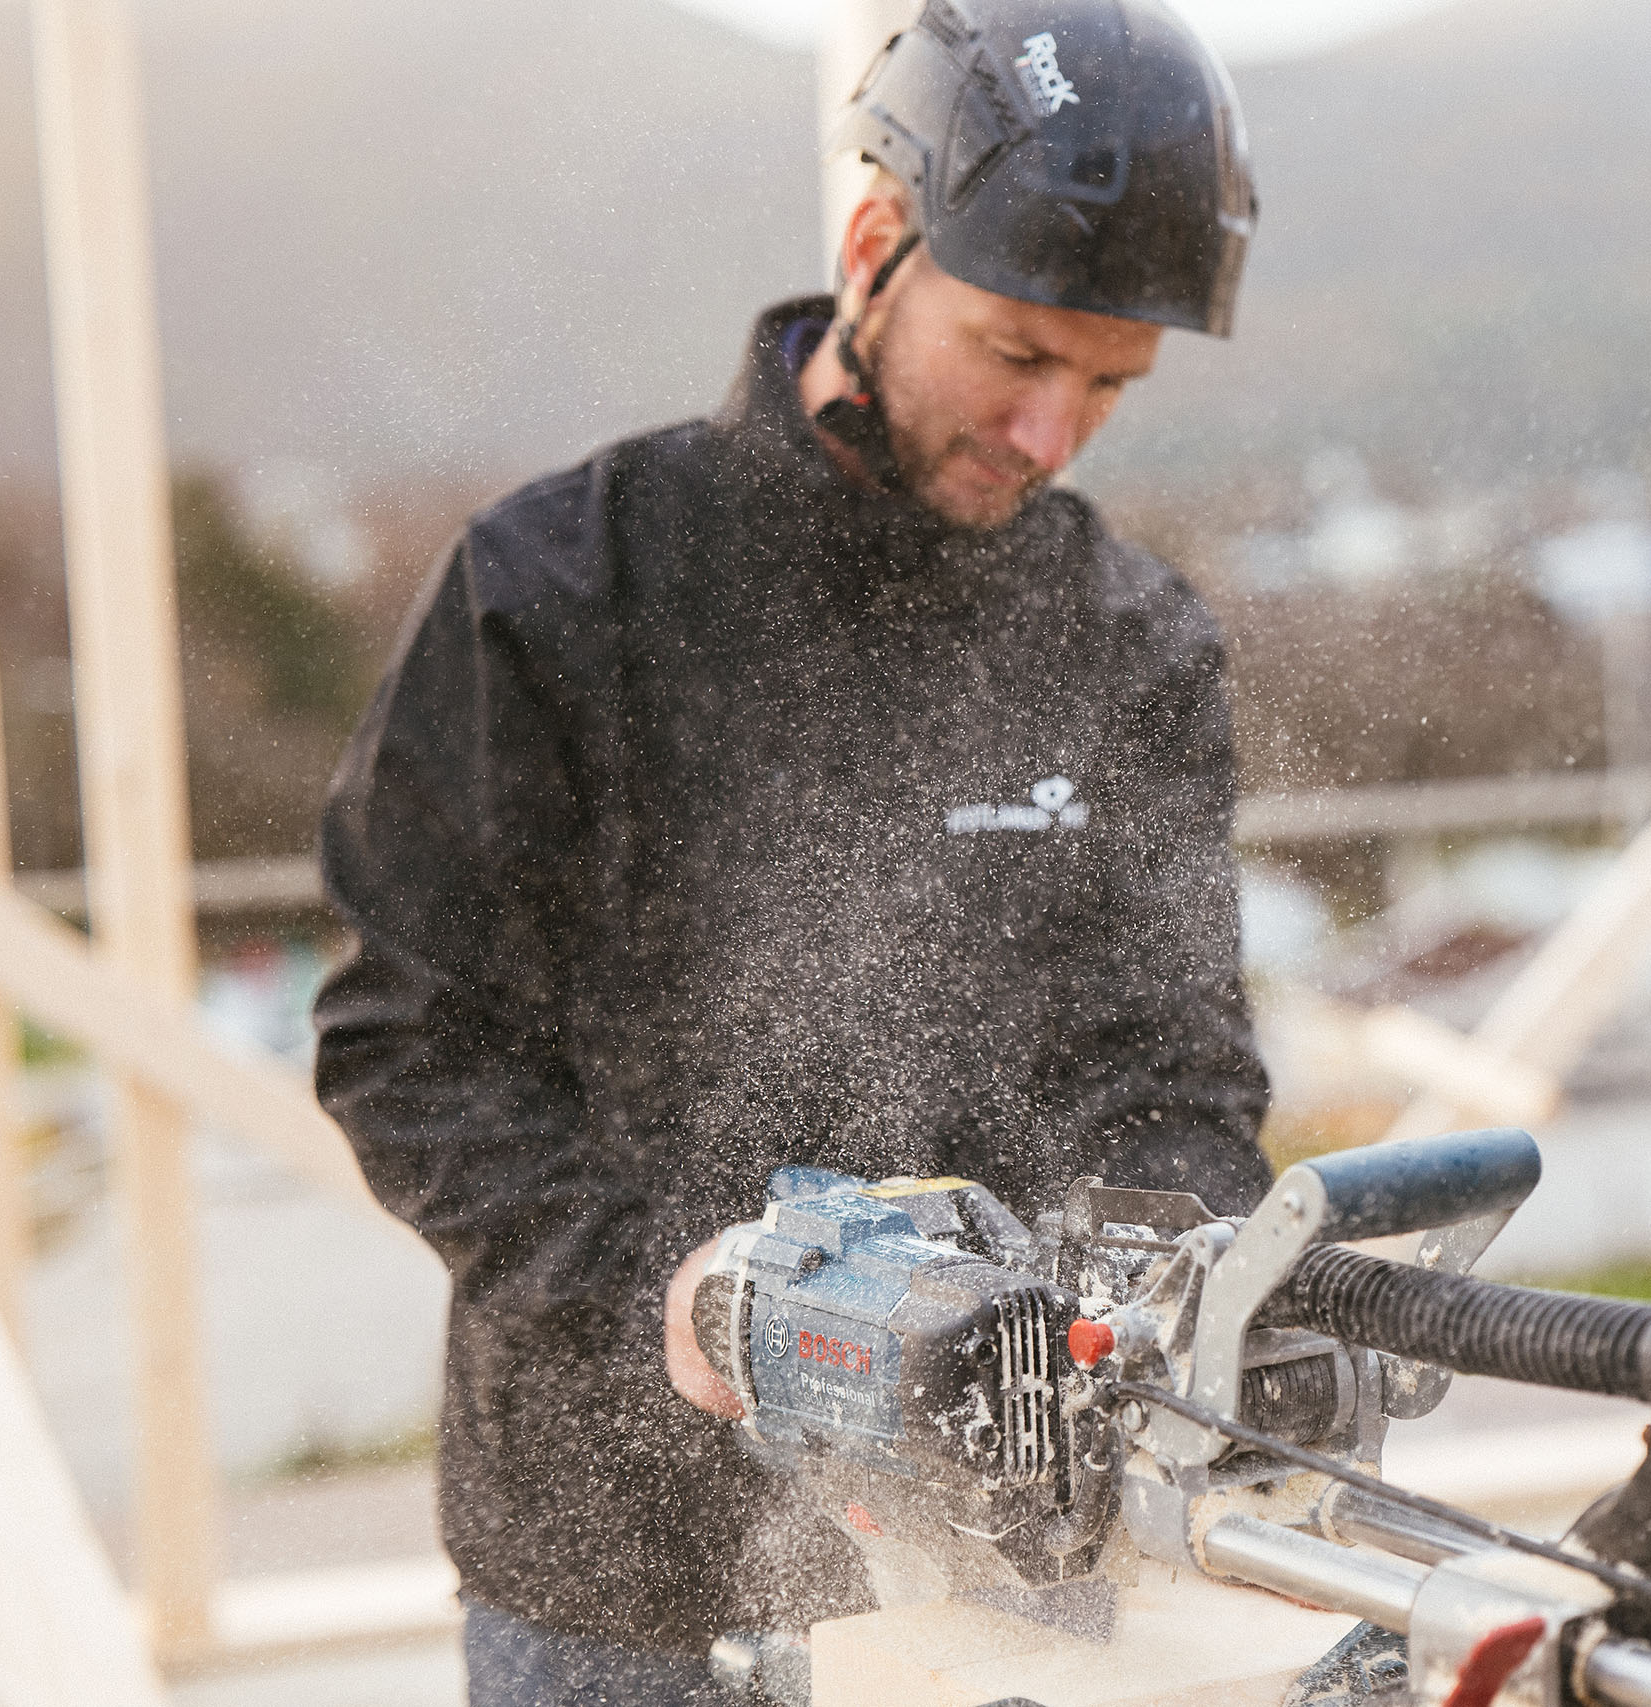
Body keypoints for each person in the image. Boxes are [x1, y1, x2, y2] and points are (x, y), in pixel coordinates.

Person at [312, 0, 1268, 1699]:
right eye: (1020, 357)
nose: (1053, 435)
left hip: (1013, 1562)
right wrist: (661, 1299)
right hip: (621, 1590)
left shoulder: (1129, 641)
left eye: (1112, 386)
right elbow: (408, 1047)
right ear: (875, 246)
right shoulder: (562, 589)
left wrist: (1168, 1274)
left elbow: (1175, 1064)